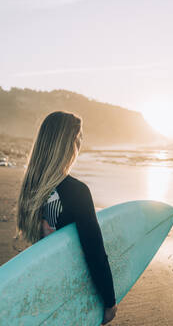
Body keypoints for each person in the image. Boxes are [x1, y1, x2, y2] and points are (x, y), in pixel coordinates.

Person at [16, 110, 117, 325]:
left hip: (42, 285)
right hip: (70, 289)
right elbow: (95, 252)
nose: (78, 146)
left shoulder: (32, 188)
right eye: (77, 139)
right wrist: (109, 301)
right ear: (67, 144)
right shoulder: (76, 191)